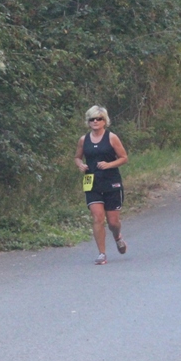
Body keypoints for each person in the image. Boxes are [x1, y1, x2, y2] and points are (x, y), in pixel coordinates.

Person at [74, 105, 129, 265]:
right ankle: (102, 254)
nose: (95, 121)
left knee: (112, 222)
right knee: (98, 218)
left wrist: (109, 164)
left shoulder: (112, 137)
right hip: (91, 182)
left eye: (99, 119)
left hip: (111, 181)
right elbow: (77, 157)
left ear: (105, 121)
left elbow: (124, 158)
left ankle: (117, 236)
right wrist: (80, 165)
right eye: (92, 119)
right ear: (88, 122)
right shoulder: (84, 140)